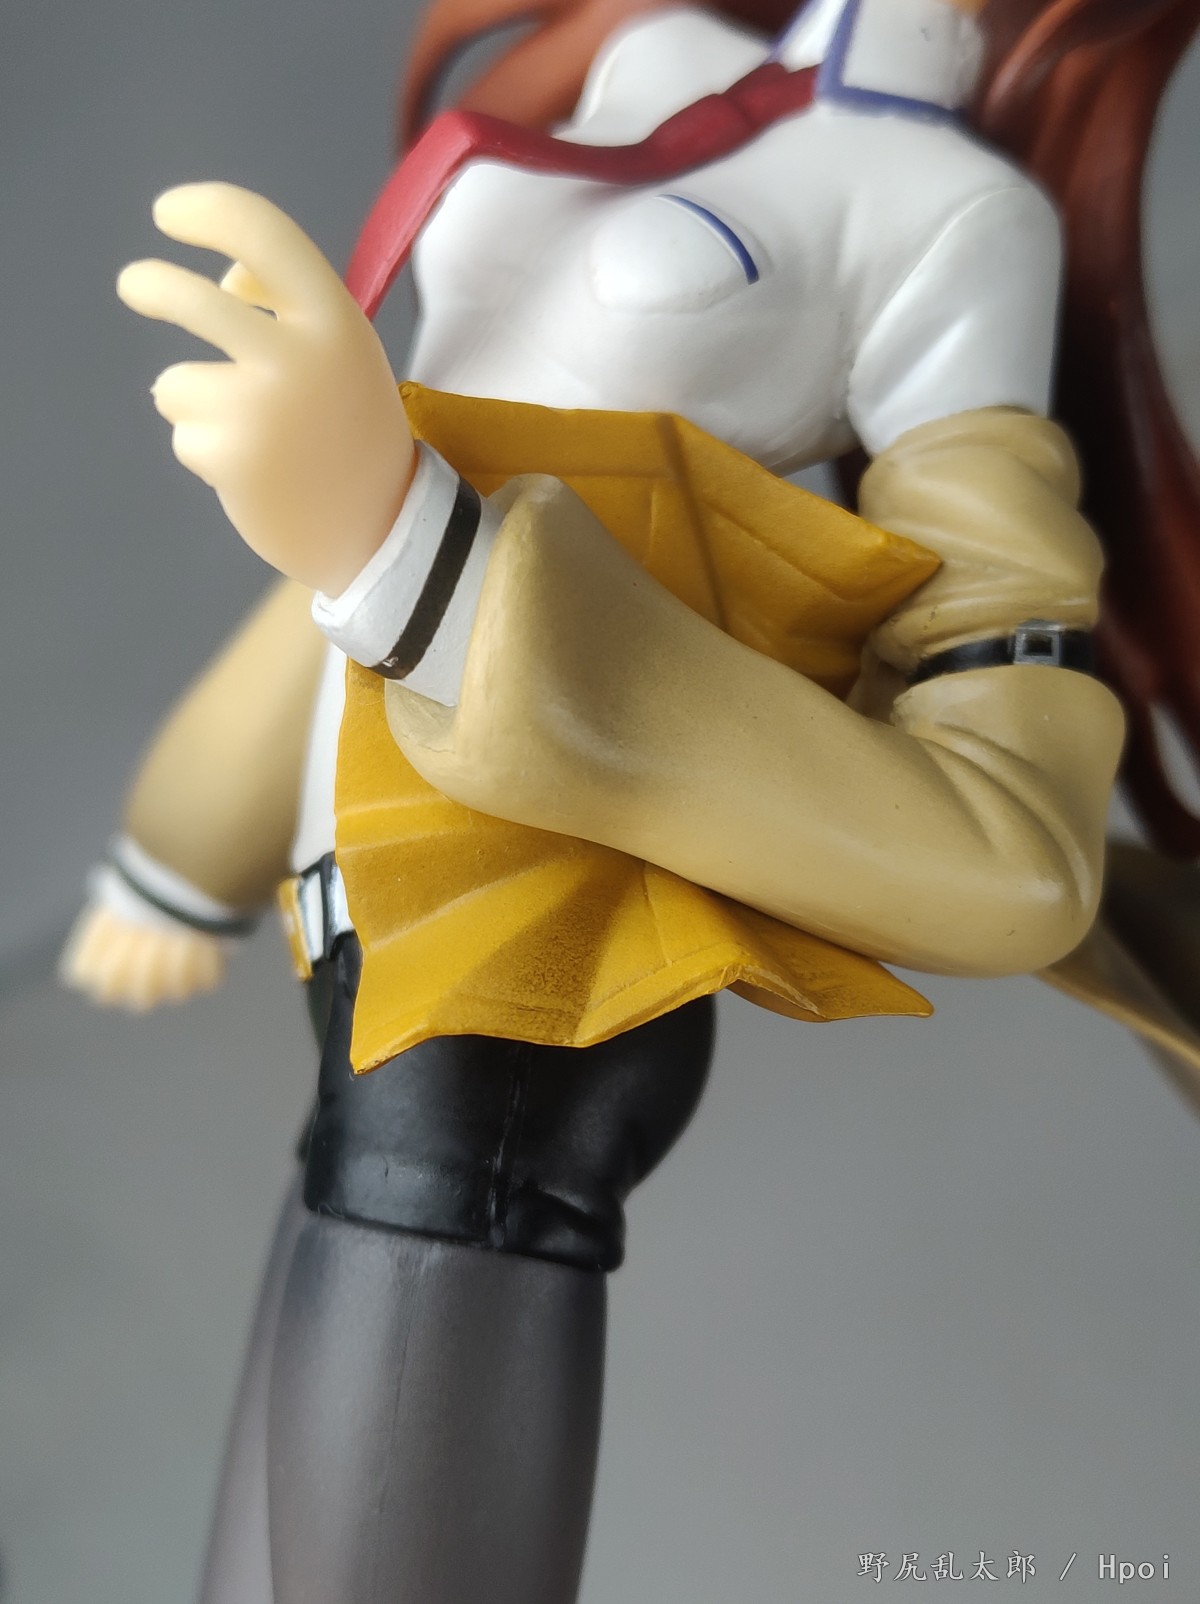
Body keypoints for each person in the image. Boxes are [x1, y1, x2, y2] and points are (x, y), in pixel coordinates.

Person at [58, 0, 1198, 1598]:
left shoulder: (952, 218)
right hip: (368, 934)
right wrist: (186, 844)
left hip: (522, 994)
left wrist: (407, 554)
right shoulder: (640, 54)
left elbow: (1014, 854)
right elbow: (423, 446)